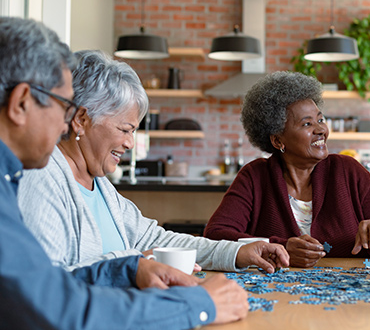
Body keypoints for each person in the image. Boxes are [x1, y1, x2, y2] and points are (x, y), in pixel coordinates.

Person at [0, 17, 253, 329]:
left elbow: (47, 288)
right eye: (63, 107)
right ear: (21, 103)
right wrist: (196, 303)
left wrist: (132, 267)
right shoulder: (32, 180)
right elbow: (54, 305)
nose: (65, 124)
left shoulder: (33, 179)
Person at [17, 49, 289, 275]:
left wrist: (238, 251)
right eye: (125, 130)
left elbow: (156, 241)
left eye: (133, 131)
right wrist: (133, 264)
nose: (130, 143)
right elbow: (44, 284)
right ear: (81, 120)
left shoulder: (99, 185)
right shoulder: (40, 178)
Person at [204, 71, 370, 268]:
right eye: (307, 123)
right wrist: (280, 248)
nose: (321, 130)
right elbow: (215, 235)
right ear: (278, 140)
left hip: (349, 291)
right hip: (274, 293)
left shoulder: (350, 171)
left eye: (321, 120)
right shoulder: (255, 176)